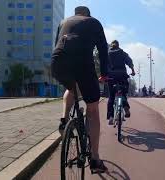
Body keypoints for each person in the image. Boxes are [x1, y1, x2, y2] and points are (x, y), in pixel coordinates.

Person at [51, 6, 108, 173]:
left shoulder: (63, 22)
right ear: (88, 15)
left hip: (58, 61)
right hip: (82, 61)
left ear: (75, 14)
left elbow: (57, 45)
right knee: (93, 109)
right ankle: (95, 159)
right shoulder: (94, 22)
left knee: (72, 86)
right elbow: (103, 50)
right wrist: (104, 74)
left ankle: (63, 120)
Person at [107, 40, 135, 125]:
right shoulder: (122, 53)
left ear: (111, 46)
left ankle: (111, 117)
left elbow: (104, 64)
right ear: (118, 46)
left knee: (111, 97)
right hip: (122, 75)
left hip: (111, 77)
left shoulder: (108, 54)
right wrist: (132, 70)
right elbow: (129, 61)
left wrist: (104, 75)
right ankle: (126, 107)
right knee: (123, 92)